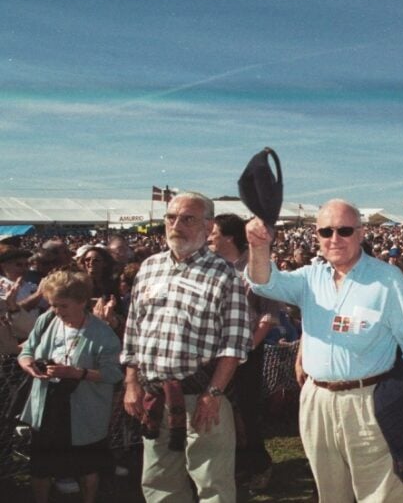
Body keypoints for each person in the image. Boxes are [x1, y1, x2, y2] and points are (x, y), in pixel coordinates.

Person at [246, 199, 403, 503]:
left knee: (380, 494)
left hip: (368, 400)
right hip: (317, 399)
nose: (335, 238)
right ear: (316, 236)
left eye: (344, 230)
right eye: (326, 231)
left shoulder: (386, 279)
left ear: (360, 233)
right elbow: (264, 283)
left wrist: (397, 398)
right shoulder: (311, 277)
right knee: (330, 493)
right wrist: (258, 247)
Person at [121, 192, 251, 503]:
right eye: (171, 218)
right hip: (155, 396)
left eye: (187, 219)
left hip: (202, 396)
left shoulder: (225, 274)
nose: (176, 225)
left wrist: (214, 393)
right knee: (158, 482)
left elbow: (234, 344)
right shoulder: (149, 268)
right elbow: (133, 331)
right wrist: (130, 382)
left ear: (208, 227)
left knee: (212, 483)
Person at [18, 270, 123, 503]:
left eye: (63, 306)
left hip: (84, 409)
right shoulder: (47, 320)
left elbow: (114, 374)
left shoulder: (103, 335)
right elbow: (27, 349)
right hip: (47, 405)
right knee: (41, 465)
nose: (57, 311)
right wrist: (27, 363)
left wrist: (77, 373)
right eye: (53, 305)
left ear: (82, 302)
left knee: (87, 465)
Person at [208, 213, 277, 490]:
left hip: (246, 354)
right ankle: (227, 467)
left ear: (228, 236)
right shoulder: (209, 267)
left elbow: (268, 316)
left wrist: (247, 348)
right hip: (213, 353)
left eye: (213, 231)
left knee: (245, 412)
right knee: (218, 411)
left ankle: (257, 465)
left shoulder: (256, 266)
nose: (209, 236)